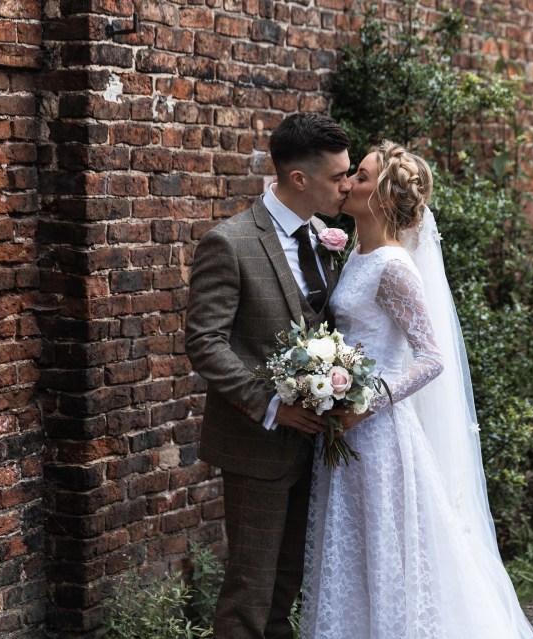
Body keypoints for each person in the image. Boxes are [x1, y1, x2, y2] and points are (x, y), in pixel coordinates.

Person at [301, 140, 533, 639]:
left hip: (379, 434)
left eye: (361, 178)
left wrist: (364, 402)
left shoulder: (393, 266)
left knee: (387, 554)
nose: (348, 184)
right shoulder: (357, 253)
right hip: (346, 431)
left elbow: (432, 359)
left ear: (385, 198)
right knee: (352, 553)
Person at [185, 113, 352, 638]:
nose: (346, 187)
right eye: (337, 177)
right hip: (257, 443)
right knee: (250, 590)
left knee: (288, 584)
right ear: (299, 179)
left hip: (316, 446)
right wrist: (274, 405)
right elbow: (205, 344)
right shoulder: (229, 243)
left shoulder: (329, 239)